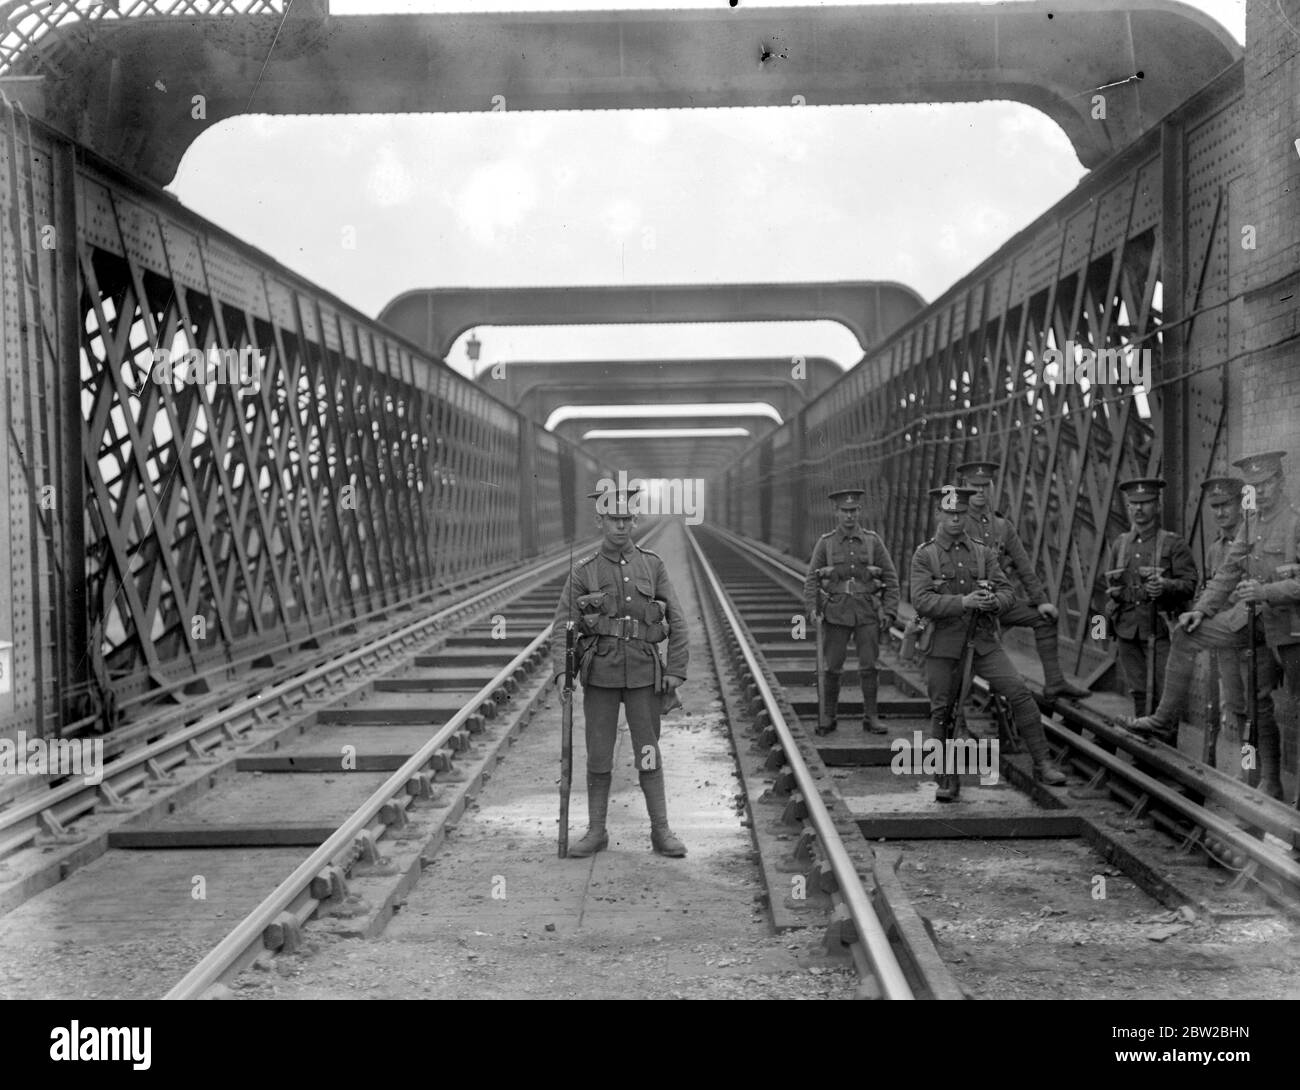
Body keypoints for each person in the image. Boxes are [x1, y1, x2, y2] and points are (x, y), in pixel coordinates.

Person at [1123, 452, 1300, 801]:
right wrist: (1200, 612)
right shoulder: (1251, 525)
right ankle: (1163, 719)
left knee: (1290, 705)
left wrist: (1266, 590)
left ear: (1281, 482)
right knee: (1187, 634)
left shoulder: (1295, 523)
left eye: (1266, 484)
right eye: (1254, 487)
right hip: (1251, 623)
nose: (1260, 492)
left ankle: (1280, 786)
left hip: (1291, 630)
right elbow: (1227, 575)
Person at [550, 487, 690, 855]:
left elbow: (677, 618)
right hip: (601, 676)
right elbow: (563, 624)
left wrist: (675, 669)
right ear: (600, 521)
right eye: (614, 519)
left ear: (635, 520)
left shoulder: (652, 565)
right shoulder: (584, 572)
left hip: (644, 674)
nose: (622, 526)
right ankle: (596, 832)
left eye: (627, 519)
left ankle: (661, 831)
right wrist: (562, 673)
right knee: (598, 754)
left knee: (648, 751)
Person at [910, 484, 1067, 801]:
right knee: (944, 710)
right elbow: (921, 601)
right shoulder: (925, 555)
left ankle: (1042, 763)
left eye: (960, 513)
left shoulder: (982, 552)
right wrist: (963, 602)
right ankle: (946, 778)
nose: (955, 519)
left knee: (1019, 692)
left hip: (982, 641)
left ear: (967, 514)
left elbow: (1008, 592)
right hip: (943, 646)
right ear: (938, 514)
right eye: (949, 513)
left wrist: (994, 602)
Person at [956, 461, 1090, 702]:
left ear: (991, 488)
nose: (980, 491)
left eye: (985, 486)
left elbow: (1024, 566)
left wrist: (1041, 601)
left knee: (1044, 617)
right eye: (974, 486)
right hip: (967, 606)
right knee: (965, 658)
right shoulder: (956, 523)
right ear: (964, 487)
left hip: (998, 601)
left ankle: (1055, 682)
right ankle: (957, 721)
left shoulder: (1001, 526)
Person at [802, 487, 900, 734]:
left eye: (853, 510)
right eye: (844, 511)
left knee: (870, 667)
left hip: (867, 612)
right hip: (836, 613)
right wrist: (812, 610)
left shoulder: (872, 541)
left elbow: (890, 576)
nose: (849, 516)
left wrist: (889, 611)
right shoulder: (825, 544)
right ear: (836, 512)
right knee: (833, 667)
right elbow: (812, 579)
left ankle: (871, 717)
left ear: (859, 511)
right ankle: (829, 717)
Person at [1103, 478, 1198, 718]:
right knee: (1138, 691)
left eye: (1145, 503)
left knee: (1164, 692)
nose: (1138, 509)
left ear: (1157, 505)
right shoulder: (1120, 544)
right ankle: (1142, 749)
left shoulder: (1173, 543)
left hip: (1161, 629)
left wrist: (1166, 586)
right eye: (1133, 503)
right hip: (1127, 630)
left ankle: (1164, 747)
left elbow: (1190, 585)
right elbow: (1110, 582)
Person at [1198, 476, 1247, 763]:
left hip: (1248, 635)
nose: (1219, 513)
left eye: (1226, 505)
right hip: (1224, 641)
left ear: (1241, 504)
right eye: (1214, 507)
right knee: (1236, 707)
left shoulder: (1251, 540)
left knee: (1255, 709)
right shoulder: (1215, 549)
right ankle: (1246, 770)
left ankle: (1255, 774)